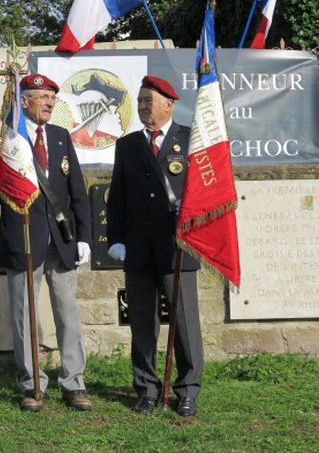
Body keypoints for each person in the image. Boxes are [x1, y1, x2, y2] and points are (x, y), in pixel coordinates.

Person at [0, 72, 93, 413]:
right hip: (23, 235)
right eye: (43, 98)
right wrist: (6, 174)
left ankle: (74, 383)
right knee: (24, 314)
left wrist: (84, 237)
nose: (49, 104)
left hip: (62, 238)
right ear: (23, 100)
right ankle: (31, 383)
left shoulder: (59, 136)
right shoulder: (4, 134)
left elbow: (77, 191)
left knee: (68, 313)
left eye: (52, 99)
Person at [105, 75, 203, 417]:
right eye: (141, 100)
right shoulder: (128, 145)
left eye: (151, 100)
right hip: (138, 248)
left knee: (185, 324)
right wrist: (116, 238)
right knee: (142, 324)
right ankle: (146, 388)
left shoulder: (191, 140)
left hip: (178, 248)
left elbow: (206, 192)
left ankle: (187, 390)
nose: (145, 107)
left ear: (169, 104)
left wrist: (191, 217)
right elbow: (116, 198)